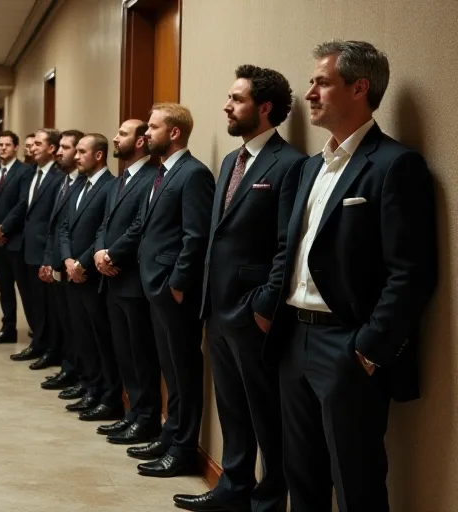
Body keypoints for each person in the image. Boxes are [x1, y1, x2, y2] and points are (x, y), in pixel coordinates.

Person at [270, 40, 437, 512]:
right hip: (293, 340)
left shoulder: (393, 164)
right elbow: (291, 247)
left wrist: (367, 349)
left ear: (360, 87)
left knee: (356, 481)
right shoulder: (308, 168)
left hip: (345, 346)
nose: (310, 94)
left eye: (322, 82)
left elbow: (412, 272)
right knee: (300, 476)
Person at [173, 65, 306, 512]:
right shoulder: (232, 161)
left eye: (237, 99)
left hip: (254, 313)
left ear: (264, 108)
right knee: (231, 408)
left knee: (266, 414)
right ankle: (233, 488)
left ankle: (268, 501)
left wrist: (264, 304)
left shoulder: (289, 164)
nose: (227, 106)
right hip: (218, 307)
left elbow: (288, 244)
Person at [102, 103, 214, 478]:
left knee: (183, 372)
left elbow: (196, 237)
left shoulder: (193, 174)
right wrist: (108, 252)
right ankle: (170, 435)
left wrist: (178, 284)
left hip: (172, 291)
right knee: (169, 369)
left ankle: (183, 450)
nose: (146, 133)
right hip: (154, 287)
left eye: (152, 127)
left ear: (175, 132)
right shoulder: (163, 174)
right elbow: (141, 227)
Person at [93, 120, 162, 445]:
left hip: (131, 279)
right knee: (123, 352)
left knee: (140, 355)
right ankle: (132, 413)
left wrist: (111, 255)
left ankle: (146, 418)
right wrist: (98, 253)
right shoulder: (121, 180)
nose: (115, 138)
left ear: (138, 142)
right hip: (112, 280)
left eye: (122, 134)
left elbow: (140, 225)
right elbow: (104, 224)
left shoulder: (151, 177)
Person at [57, 134, 118, 420]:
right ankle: (90, 386)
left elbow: (103, 231)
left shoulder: (111, 186)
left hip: (92, 277)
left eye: (82, 152)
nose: (76, 156)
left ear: (98, 156)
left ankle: (106, 393)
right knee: (81, 335)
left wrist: (81, 263)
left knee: (99, 338)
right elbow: (65, 227)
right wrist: (68, 260)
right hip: (73, 272)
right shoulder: (78, 184)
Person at [9, 128, 63, 368]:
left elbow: (56, 218)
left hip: (44, 250)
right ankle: (38, 343)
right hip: (26, 247)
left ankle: (50, 349)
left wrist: (50, 256)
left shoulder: (58, 176)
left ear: (52, 148)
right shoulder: (32, 173)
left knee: (47, 305)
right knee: (32, 301)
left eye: (38, 143)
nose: (32, 147)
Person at [40, 129, 87, 393]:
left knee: (78, 326)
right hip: (59, 262)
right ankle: (69, 369)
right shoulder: (63, 181)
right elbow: (55, 226)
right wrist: (49, 259)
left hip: (76, 265)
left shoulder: (83, 184)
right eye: (61, 147)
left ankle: (80, 375)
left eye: (67, 148)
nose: (60, 152)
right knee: (66, 322)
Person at [0, 130, 33, 344]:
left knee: (24, 289)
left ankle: (35, 330)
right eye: (0, 144)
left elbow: (22, 205)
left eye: (7, 145)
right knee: (4, 288)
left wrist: (2, 230)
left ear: (16, 148)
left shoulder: (25, 171)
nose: (2, 148)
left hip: (15, 240)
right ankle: (8, 327)